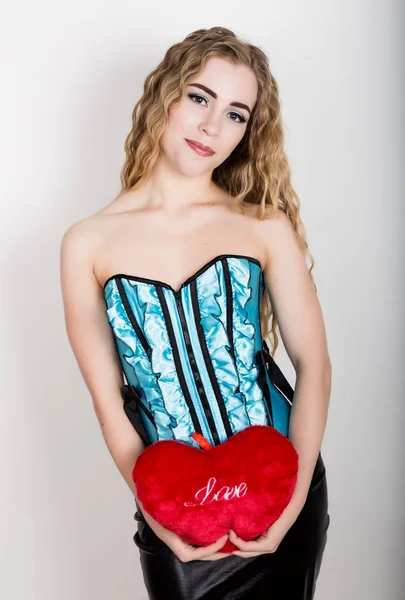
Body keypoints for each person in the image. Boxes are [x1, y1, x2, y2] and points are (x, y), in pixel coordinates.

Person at [60, 26, 331, 600]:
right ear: (166, 95)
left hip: (278, 489)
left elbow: (314, 364)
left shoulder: (262, 225)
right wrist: (158, 519)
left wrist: (294, 499)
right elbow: (110, 404)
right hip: (177, 508)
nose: (213, 126)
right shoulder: (86, 242)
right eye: (200, 97)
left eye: (237, 114)